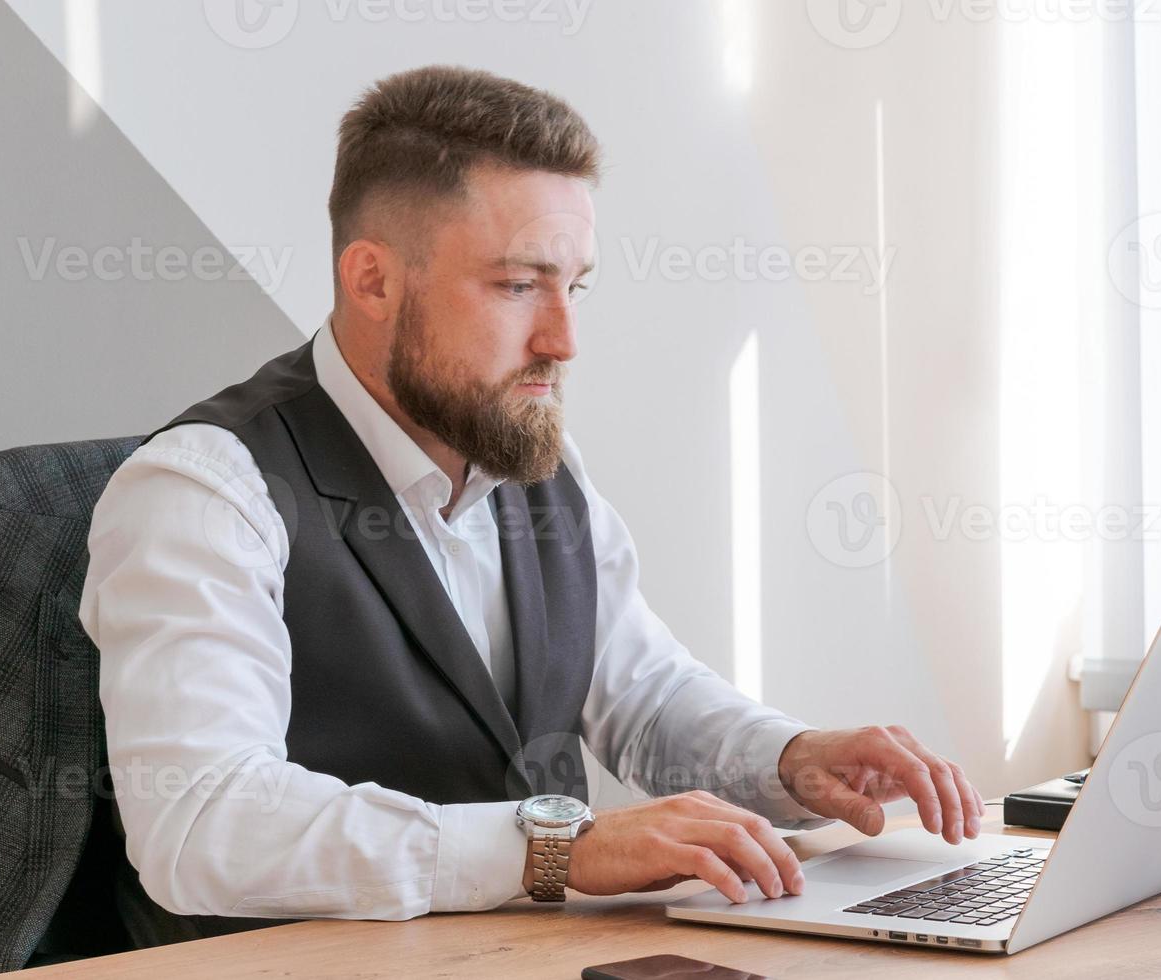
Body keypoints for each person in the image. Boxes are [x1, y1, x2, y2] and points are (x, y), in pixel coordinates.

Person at [80, 65, 982, 943]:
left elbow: (638, 692)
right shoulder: (203, 492)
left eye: (574, 285)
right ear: (372, 281)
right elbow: (199, 826)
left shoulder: (534, 456)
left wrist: (789, 760)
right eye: (518, 286)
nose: (564, 338)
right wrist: (557, 849)